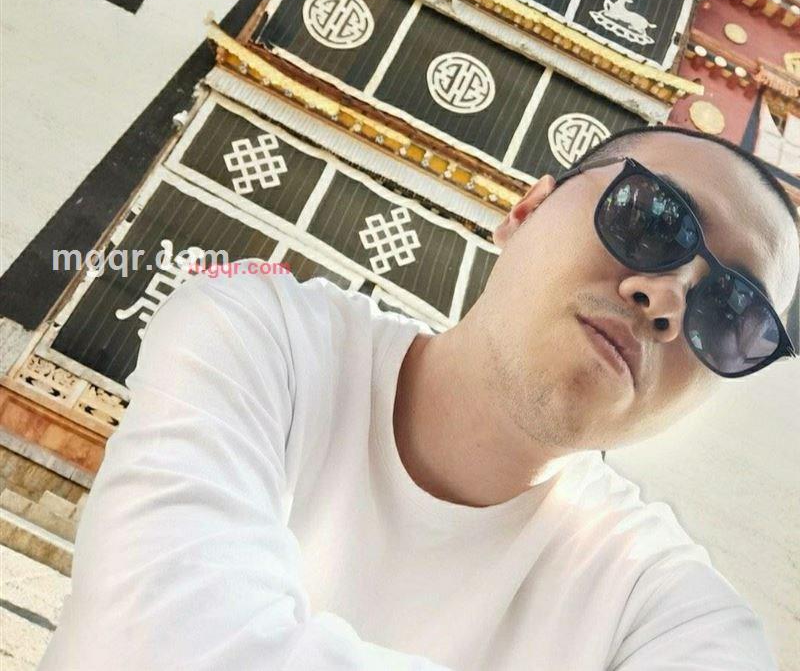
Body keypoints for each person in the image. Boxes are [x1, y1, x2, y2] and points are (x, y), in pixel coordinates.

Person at [39, 125, 798, 671]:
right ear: (526, 211)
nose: (666, 300)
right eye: (652, 216)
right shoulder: (265, 337)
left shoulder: (663, 606)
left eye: (734, 313)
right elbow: (158, 643)